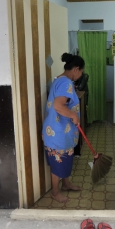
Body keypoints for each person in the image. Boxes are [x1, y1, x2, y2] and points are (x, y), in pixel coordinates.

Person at [42, 53, 85, 203]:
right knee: (58, 161)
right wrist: (74, 115)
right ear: (76, 69)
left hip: (60, 131)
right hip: (57, 132)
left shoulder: (58, 80)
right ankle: (55, 192)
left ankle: (66, 184)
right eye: (81, 72)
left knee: (65, 158)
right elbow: (58, 105)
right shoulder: (65, 83)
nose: (80, 76)